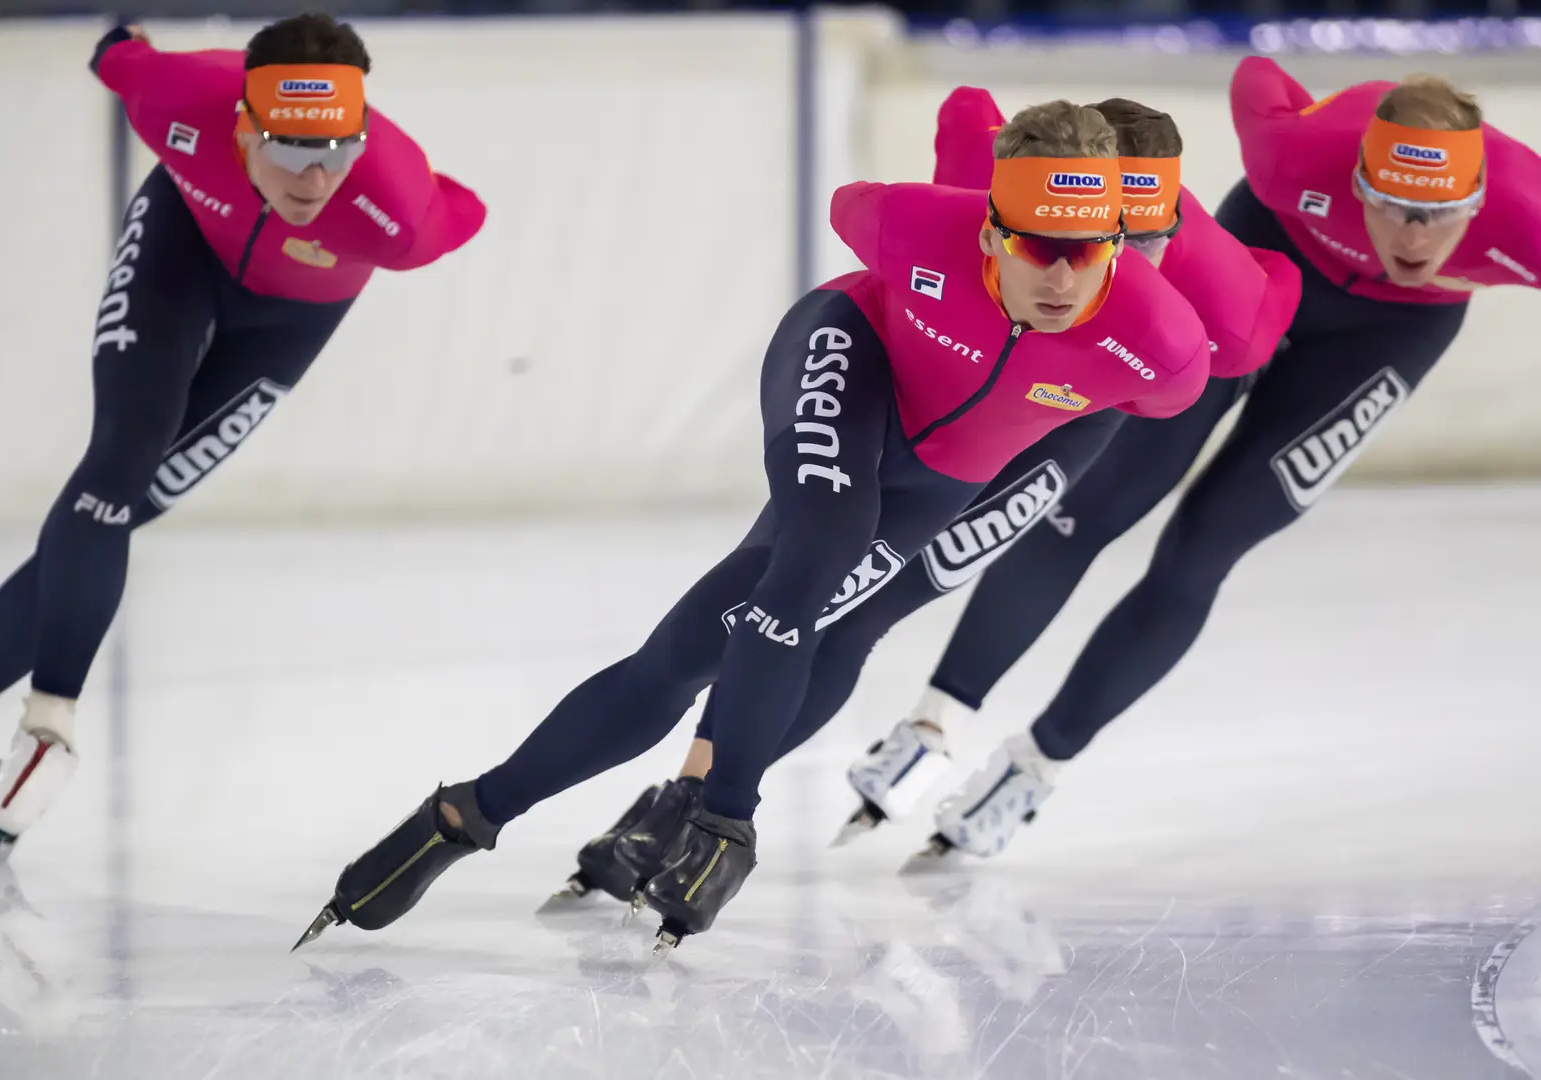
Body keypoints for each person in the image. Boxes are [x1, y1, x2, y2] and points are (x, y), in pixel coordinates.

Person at [302, 100, 1216, 955]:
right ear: (989, 226)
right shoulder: (916, 224)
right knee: (817, 551)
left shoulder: (1163, 349)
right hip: (850, 362)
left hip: (947, 479)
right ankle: (723, 820)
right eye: (1038, 247)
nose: (1061, 277)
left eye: (1092, 252)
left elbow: (1234, 327)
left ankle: (469, 814)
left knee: (731, 640)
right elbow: (871, 192)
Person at [538, 88, 1304, 907]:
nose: (1110, 266)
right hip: (933, 409)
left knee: (860, 615)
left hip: (1064, 427)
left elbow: (1261, 316)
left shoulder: (1190, 279)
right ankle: (684, 800)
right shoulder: (1002, 198)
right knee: (803, 598)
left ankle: (694, 804)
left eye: (1148, 241)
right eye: (1064, 239)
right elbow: (952, 156)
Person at [847, 58, 1541, 865]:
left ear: (1481, 204)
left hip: (1389, 338)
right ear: (1354, 178)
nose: (1411, 237)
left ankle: (1036, 767)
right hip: (1253, 273)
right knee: (1084, 506)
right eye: (1387, 204)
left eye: (1438, 214)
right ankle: (932, 723)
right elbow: (1257, 77)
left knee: (1206, 547)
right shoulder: (1293, 153)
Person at [0, 13, 486, 863]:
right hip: (177, 254)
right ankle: (48, 724)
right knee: (119, 461)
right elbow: (118, 55)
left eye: (338, 151)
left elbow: (466, 209)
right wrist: (118, 41)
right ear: (243, 125)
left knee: (127, 504)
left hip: (289, 324)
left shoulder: (396, 210)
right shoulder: (179, 99)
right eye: (291, 150)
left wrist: (387, 172)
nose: (316, 182)